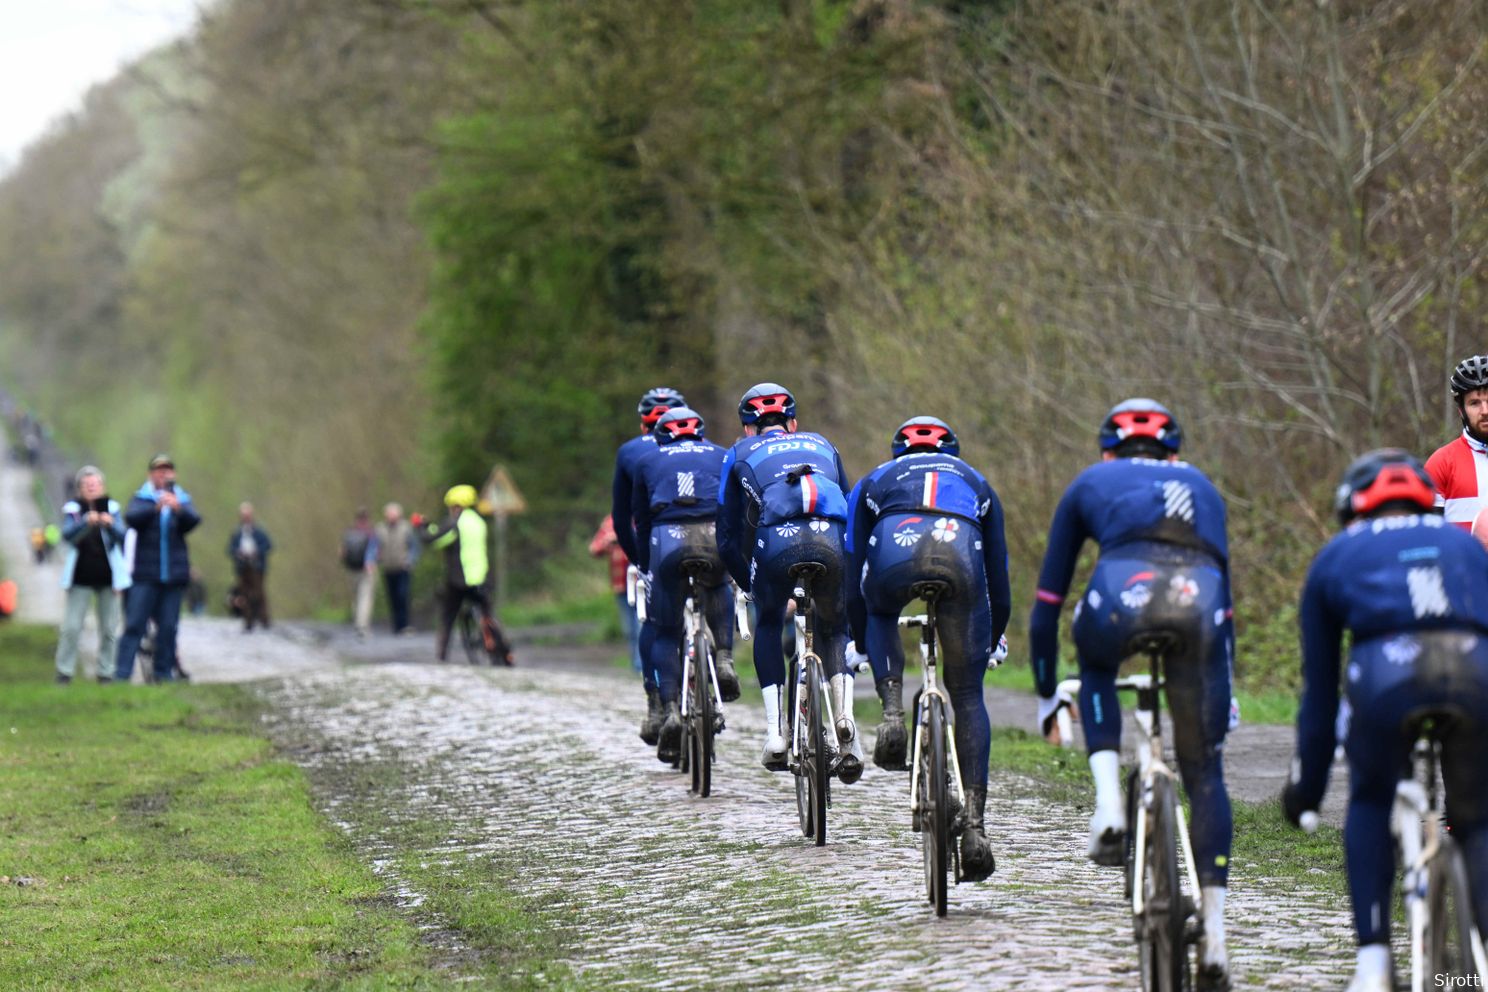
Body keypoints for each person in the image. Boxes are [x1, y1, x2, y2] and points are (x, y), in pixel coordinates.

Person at [1028, 399, 1234, 990]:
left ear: (1107, 451)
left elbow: (1046, 606)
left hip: (1122, 595)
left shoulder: (1090, 481)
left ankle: (1108, 808)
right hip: (1199, 605)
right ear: (1174, 453)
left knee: (1095, 664)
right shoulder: (1203, 486)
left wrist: (1047, 694)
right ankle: (1215, 935)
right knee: (1206, 771)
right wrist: (1225, 687)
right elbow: (1228, 606)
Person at [1281, 450, 1488, 992]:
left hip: (1385, 678)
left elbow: (1320, 693)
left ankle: (1373, 960)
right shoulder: (1464, 544)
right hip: (1474, 672)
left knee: (1371, 800)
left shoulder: (1336, 554)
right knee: (1479, 819)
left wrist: (1307, 790)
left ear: (1353, 508)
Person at [845, 416, 1011, 880]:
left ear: (898, 452)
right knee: (968, 695)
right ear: (951, 452)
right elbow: (998, 576)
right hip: (960, 557)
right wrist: (994, 635)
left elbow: (854, 568)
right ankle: (975, 826)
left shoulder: (875, 479)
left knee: (878, 609)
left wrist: (861, 642)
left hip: (893, 556)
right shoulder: (976, 481)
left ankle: (894, 715)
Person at [717, 382, 862, 781]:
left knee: (767, 623)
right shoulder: (823, 444)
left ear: (748, 428)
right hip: (830, 538)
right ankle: (847, 727)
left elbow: (727, 535)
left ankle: (776, 735)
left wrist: (747, 582)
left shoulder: (738, 453)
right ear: (793, 423)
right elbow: (849, 509)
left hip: (777, 543)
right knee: (835, 628)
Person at [630, 407, 739, 763]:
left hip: (668, 539)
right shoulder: (722, 454)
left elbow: (641, 520)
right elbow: (734, 510)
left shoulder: (648, 460)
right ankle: (724, 658)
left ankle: (673, 708)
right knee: (718, 583)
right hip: (711, 535)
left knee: (664, 631)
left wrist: (646, 563)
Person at [611, 386, 688, 745]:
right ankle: (719, 661)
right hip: (706, 543)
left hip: (658, 545)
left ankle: (656, 700)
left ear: (644, 425)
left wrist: (639, 560)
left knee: (654, 621)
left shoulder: (630, 452)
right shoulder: (704, 448)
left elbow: (623, 516)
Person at [115, 454, 200, 683]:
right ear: (150, 474)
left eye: (167, 470)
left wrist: (177, 509)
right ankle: (122, 674)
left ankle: (164, 674)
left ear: (173, 474)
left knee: (169, 627)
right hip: (145, 576)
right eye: (158, 470)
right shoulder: (142, 498)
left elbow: (193, 521)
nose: (163, 474)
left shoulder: (182, 498)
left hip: (173, 577)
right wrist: (156, 507)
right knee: (134, 624)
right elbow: (131, 518)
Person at [421, 484, 513, 665]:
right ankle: (503, 650)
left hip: (459, 580)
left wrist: (423, 527)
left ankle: (442, 656)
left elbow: (435, 540)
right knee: (488, 615)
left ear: (456, 506)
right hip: (483, 578)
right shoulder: (479, 522)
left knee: (448, 616)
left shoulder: (454, 523)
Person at [54, 466, 130, 684]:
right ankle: (64, 672)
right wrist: (86, 523)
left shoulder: (113, 510)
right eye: (87, 485)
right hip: (80, 577)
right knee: (71, 627)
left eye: (95, 485)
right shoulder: (73, 511)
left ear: (103, 487)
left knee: (109, 628)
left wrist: (109, 524)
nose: (92, 488)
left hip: (109, 578)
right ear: (79, 489)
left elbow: (123, 537)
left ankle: (106, 673)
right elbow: (67, 536)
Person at [1426, 354, 1488, 530]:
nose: (1485, 410)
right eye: (1475, 403)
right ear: (1461, 410)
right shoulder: (1441, 463)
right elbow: (1427, 538)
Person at [589, 515, 643, 674]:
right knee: (629, 630)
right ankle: (635, 664)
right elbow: (594, 548)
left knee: (641, 626)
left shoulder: (646, 515)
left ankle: (641, 665)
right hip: (621, 586)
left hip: (641, 584)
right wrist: (610, 542)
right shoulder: (611, 522)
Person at [371, 502, 418, 634]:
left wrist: (410, 560)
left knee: (403, 596)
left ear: (399, 514)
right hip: (388, 568)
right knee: (392, 598)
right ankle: (397, 626)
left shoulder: (406, 528)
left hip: (403, 568)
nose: (391, 516)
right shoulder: (380, 529)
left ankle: (405, 625)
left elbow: (414, 546)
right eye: (389, 514)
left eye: (393, 514)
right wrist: (373, 560)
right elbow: (374, 547)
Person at [227, 501, 272, 631]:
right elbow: (230, 549)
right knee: (244, 594)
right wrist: (238, 553)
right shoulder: (237, 532)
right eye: (243, 514)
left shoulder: (259, 531)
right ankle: (248, 621)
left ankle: (264, 619)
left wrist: (256, 552)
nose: (245, 517)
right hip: (242, 567)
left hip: (257, 567)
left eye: (247, 514)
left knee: (259, 593)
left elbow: (268, 545)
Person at [341, 508, 375, 637]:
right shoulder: (370, 533)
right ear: (367, 519)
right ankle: (362, 625)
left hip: (351, 569)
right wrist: (370, 562)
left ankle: (357, 623)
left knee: (355, 597)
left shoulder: (348, 533)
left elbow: (342, 553)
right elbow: (373, 549)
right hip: (366, 569)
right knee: (365, 597)